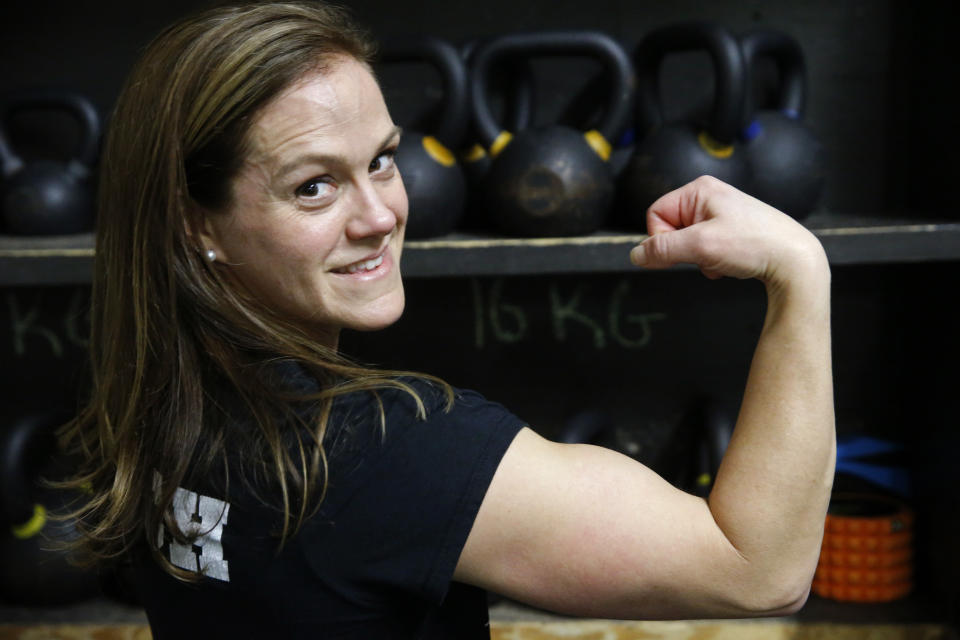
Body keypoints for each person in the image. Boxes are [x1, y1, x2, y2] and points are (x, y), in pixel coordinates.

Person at [58, 2, 835, 638]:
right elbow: (757, 570)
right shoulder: (388, 452)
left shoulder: (155, 402)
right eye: (313, 188)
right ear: (197, 223)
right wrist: (800, 275)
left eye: (382, 159)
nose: (381, 215)